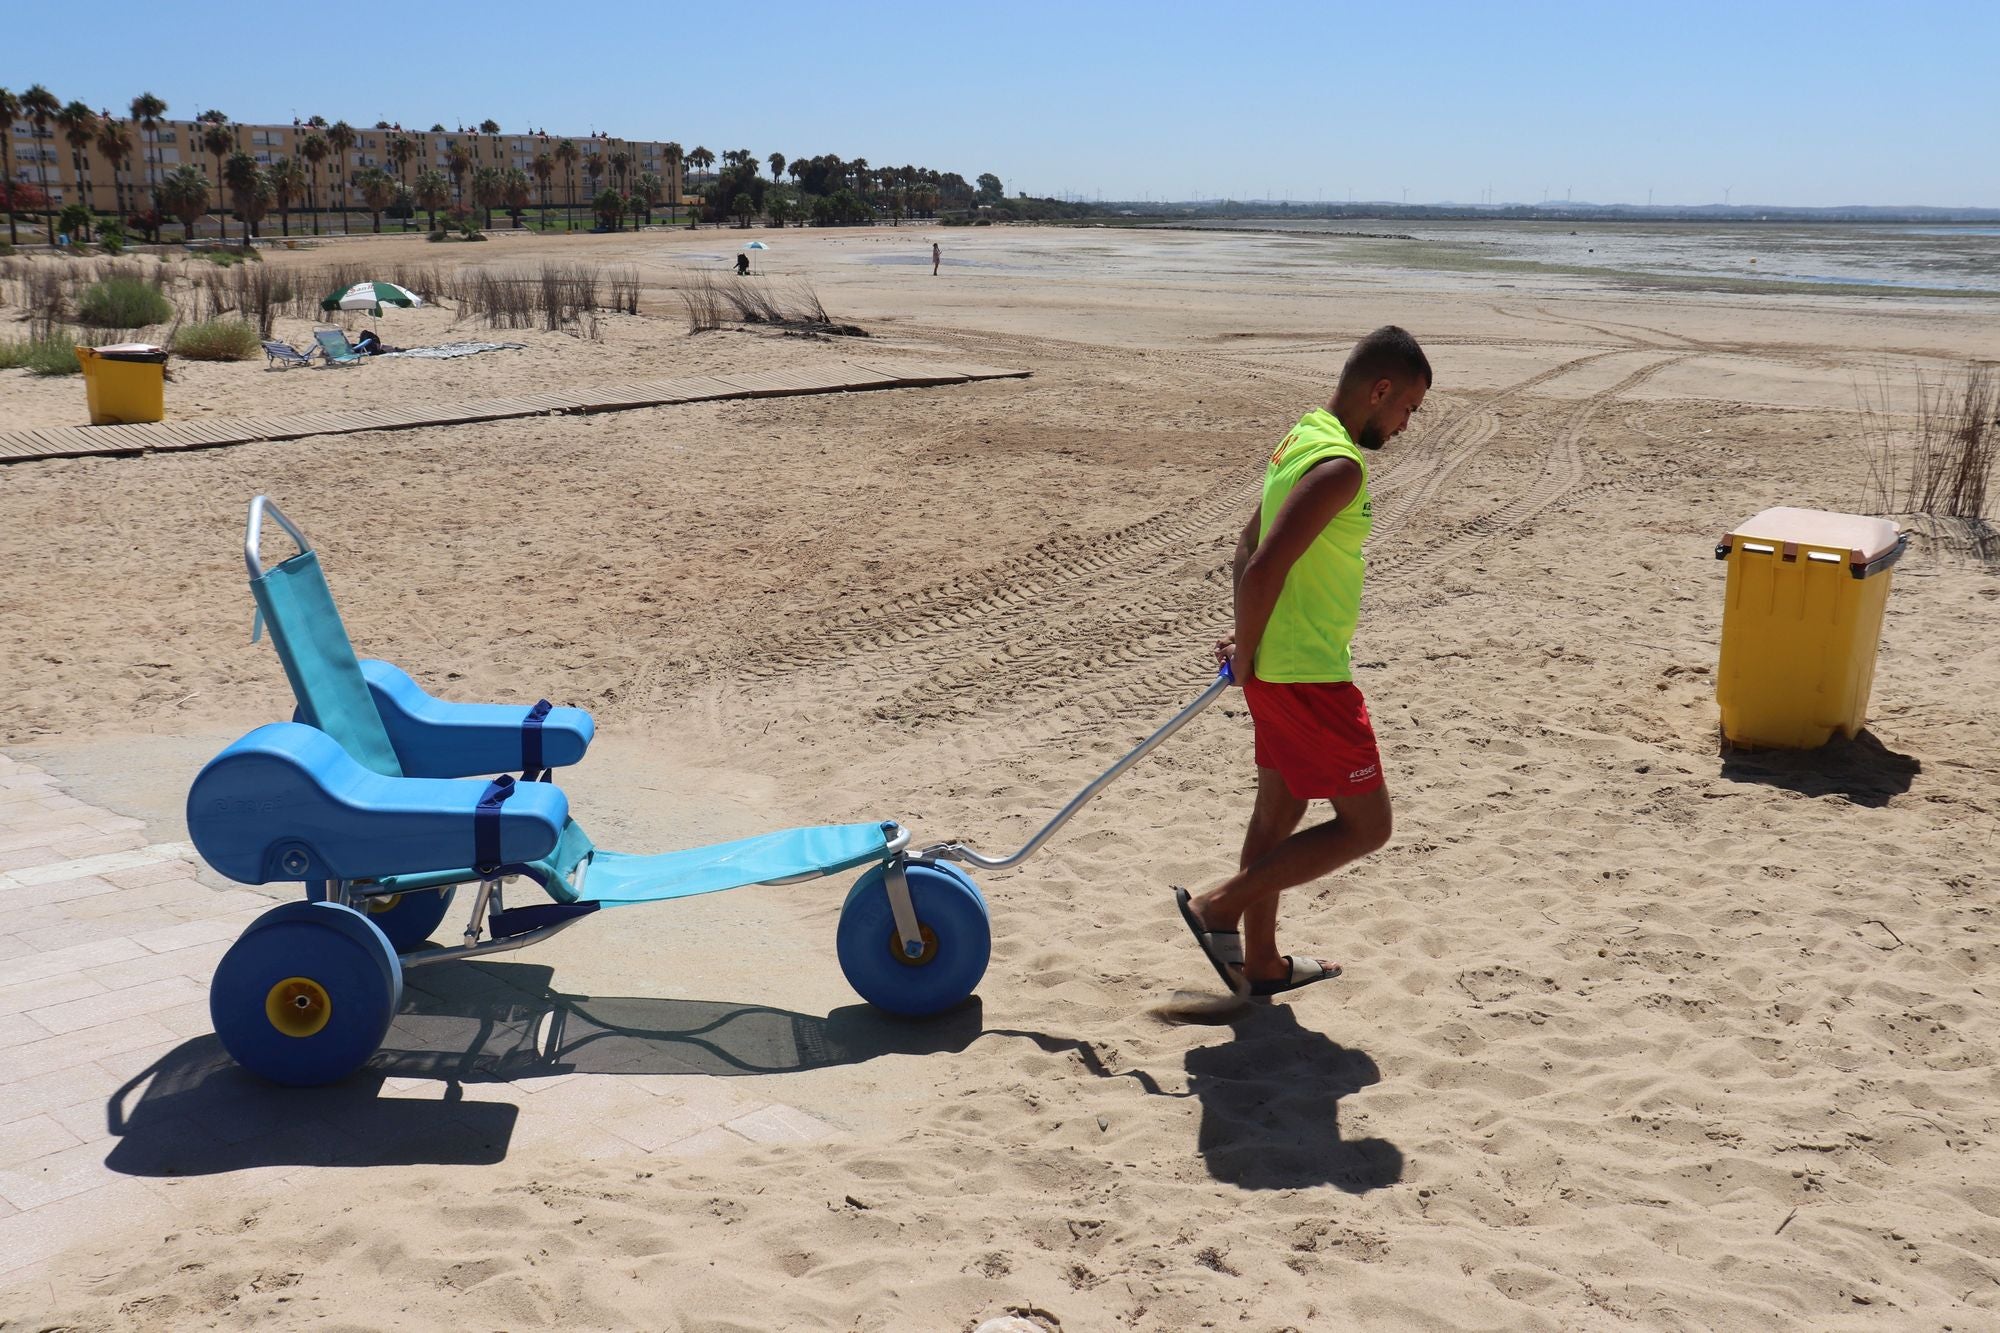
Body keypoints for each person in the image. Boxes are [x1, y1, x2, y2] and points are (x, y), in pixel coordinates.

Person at [1176, 326, 1431, 997]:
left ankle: (1260, 960)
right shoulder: (1340, 465)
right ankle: (1219, 905)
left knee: (1276, 816)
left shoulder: (1305, 434)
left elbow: (1246, 541)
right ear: (1380, 390)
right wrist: (1253, 649)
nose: (1407, 424)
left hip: (1278, 666)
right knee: (1367, 826)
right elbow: (1262, 566)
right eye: (1408, 406)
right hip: (1309, 674)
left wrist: (1246, 644)